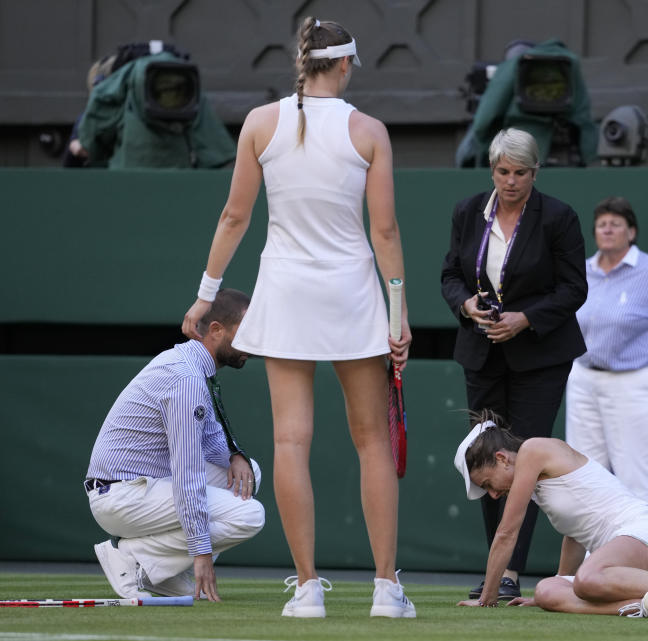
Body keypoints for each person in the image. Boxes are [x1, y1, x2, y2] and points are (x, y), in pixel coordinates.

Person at [181, 18, 414, 619]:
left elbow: (234, 217)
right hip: (352, 297)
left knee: (290, 440)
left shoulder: (261, 124)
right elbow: (383, 231)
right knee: (372, 445)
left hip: (286, 293)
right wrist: (399, 314)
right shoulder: (369, 132)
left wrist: (206, 295)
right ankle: (387, 590)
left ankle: (307, 589)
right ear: (343, 65)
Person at [440, 127, 588, 601]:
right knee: (487, 459)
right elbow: (448, 275)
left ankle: (507, 575)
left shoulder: (558, 217)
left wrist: (525, 319)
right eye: (503, 172)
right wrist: (466, 306)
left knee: (523, 459)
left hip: (540, 358)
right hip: (482, 354)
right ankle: (498, 572)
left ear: (535, 171)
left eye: (520, 172)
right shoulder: (467, 211)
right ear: (492, 170)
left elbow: (573, 289)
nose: (511, 181)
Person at [453, 411, 648, 620]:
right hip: (626, 563)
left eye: (488, 484)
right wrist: (560, 583)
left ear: (502, 458)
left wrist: (487, 598)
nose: (492, 495)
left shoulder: (533, 450)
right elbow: (576, 532)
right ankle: (647, 605)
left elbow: (507, 533)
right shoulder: (539, 483)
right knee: (546, 591)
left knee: (587, 578)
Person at [86, 288, 264, 603]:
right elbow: (187, 471)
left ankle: (160, 572)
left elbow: (210, 440)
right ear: (216, 331)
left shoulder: (190, 365)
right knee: (249, 516)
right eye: (245, 333)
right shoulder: (186, 379)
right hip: (122, 496)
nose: (253, 341)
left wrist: (236, 455)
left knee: (250, 474)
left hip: (142, 487)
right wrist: (201, 551)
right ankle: (135, 560)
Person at [565, 196, 648, 510]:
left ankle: (641, 559)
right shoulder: (581, 271)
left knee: (637, 479)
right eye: (601, 225)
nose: (607, 230)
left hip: (635, 383)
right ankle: (593, 560)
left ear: (631, 232)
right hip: (583, 380)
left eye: (616, 224)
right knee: (584, 475)